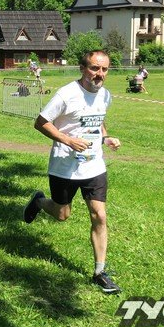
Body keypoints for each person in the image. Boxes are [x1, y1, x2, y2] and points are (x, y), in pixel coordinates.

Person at [23, 49, 123, 294]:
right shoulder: (67, 94)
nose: (99, 74)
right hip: (64, 166)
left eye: (104, 69)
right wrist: (67, 140)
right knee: (61, 214)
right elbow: (41, 122)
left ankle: (100, 272)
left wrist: (106, 137)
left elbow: (98, 119)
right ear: (82, 68)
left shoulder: (105, 95)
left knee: (99, 215)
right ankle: (39, 202)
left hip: (94, 165)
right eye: (94, 68)